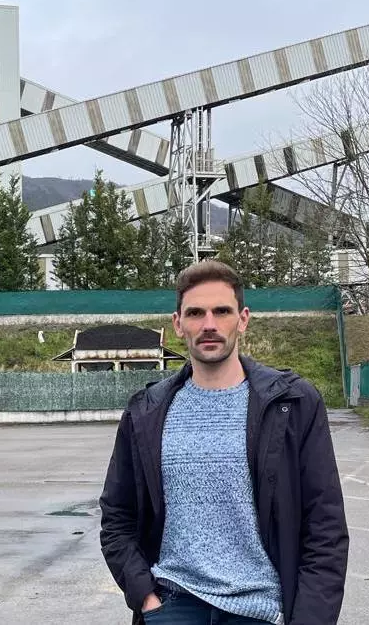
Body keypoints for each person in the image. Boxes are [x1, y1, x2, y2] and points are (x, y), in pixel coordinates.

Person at [99, 259, 348, 625]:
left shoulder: (293, 404)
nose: (209, 324)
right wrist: (147, 599)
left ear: (243, 319)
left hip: (261, 611)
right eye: (195, 313)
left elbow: (324, 527)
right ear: (178, 324)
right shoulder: (146, 411)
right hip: (173, 607)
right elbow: (117, 516)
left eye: (222, 311)